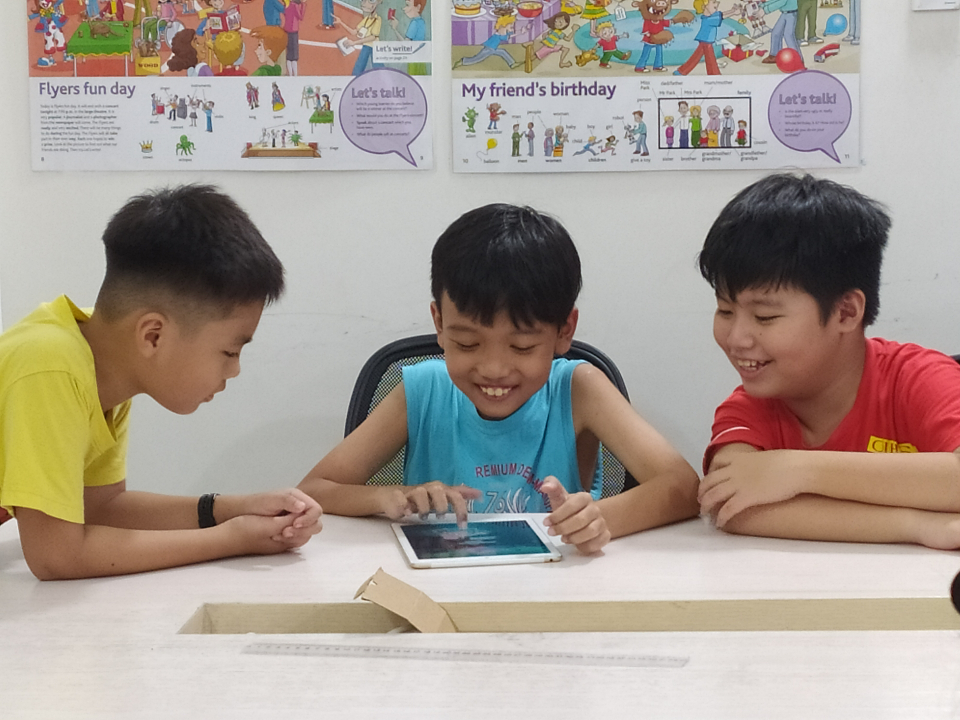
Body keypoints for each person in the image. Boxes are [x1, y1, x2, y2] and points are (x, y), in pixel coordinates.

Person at [299, 204, 699, 554]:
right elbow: (314, 490)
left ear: (564, 331)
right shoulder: (422, 391)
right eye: (468, 344)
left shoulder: (579, 389)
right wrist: (389, 497)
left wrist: (597, 519)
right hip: (437, 590)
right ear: (439, 323)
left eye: (522, 347)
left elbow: (682, 487)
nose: (493, 369)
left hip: (553, 588)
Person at [0, 185, 322, 580]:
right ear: (153, 335)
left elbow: (100, 509)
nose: (234, 370)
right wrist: (231, 538)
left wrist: (232, 509)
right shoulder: (51, 368)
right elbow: (56, 556)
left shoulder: (103, 358)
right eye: (229, 351)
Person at [697, 173, 960, 550]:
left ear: (846, 312)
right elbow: (731, 507)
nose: (736, 338)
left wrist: (798, 470)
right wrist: (916, 525)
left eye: (765, 317)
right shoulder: (747, 409)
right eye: (725, 310)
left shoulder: (919, 378)